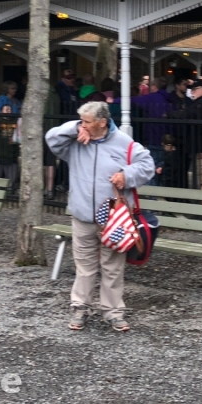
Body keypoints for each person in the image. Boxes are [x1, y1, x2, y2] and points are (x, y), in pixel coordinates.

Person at [46, 101, 154, 333]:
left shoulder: (124, 143)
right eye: (81, 121)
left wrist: (126, 174)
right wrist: (75, 128)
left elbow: (147, 165)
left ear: (102, 122)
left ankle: (113, 313)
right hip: (82, 214)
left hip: (114, 219)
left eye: (86, 121)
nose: (82, 125)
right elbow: (51, 137)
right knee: (84, 266)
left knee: (112, 267)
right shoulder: (75, 140)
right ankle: (79, 308)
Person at [131, 75, 173, 185]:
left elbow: (134, 101)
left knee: (151, 169)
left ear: (155, 86)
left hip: (154, 138)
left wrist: (115, 100)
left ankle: (153, 196)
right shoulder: (169, 98)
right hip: (167, 140)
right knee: (162, 170)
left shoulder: (152, 98)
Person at [0, 104, 21, 193]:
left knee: (11, 181)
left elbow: (20, 134)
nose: (8, 111)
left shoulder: (16, 121)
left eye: (10, 109)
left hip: (11, 155)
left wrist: (15, 141)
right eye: (6, 109)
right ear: (1, 111)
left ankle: (11, 191)